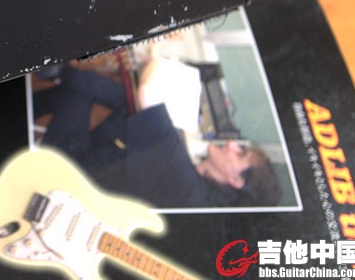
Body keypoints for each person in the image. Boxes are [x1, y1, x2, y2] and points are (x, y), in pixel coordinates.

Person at [35, 59, 281, 208]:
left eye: (240, 154)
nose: (232, 145)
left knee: (85, 91)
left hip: (69, 167)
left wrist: (154, 54)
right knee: (126, 102)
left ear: (236, 181)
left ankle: (56, 77)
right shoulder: (198, 195)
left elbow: (147, 92)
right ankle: (59, 74)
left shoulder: (184, 183)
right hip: (101, 163)